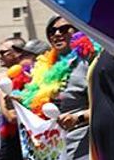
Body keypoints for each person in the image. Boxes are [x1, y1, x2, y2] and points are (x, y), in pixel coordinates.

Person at [18, 17, 98, 160]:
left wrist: (78, 118)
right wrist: (21, 101)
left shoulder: (89, 60)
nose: (56, 34)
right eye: (51, 31)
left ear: (77, 30)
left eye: (63, 29)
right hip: (53, 149)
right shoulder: (45, 68)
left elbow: (107, 106)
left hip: (84, 147)